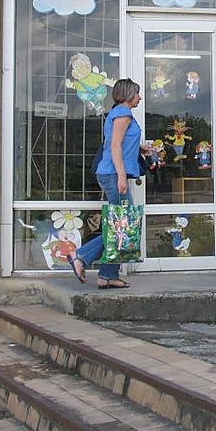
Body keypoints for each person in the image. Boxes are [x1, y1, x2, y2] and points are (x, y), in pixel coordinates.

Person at [68, 78, 144, 289]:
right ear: (128, 95)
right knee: (123, 224)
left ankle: (107, 276)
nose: (140, 97)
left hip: (112, 173)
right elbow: (115, 146)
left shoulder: (119, 113)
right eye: (137, 93)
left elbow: (119, 143)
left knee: (121, 225)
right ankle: (80, 256)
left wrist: (140, 151)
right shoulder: (123, 113)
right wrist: (121, 176)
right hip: (112, 174)